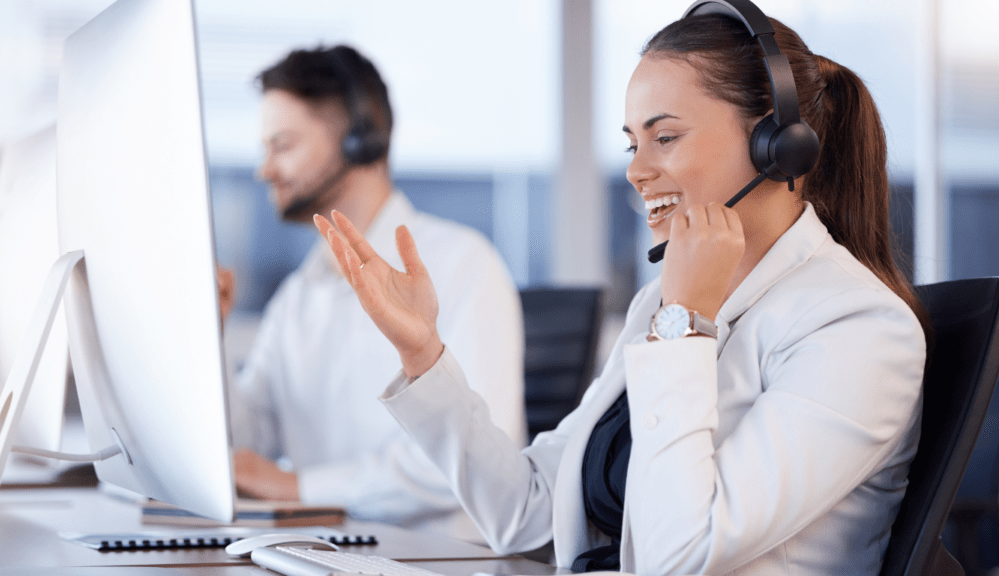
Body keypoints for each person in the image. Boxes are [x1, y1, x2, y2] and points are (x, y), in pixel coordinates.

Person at [313, 4, 930, 575]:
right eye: (632, 143)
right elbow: (524, 515)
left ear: (776, 145)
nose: (636, 171)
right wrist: (424, 356)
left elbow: (679, 556)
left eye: (665, 138)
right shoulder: (662, 304)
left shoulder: (860, 329)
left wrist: (686, 319)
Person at [226, 45, 526, 536]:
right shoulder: (299, 295)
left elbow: (473, 461)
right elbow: (246, 446)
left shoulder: (462, 263)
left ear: (358, 139)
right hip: (322, 552)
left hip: (443, 560)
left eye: (282, 145)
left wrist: (300, 486)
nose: (265, 169)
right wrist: (206, 338)